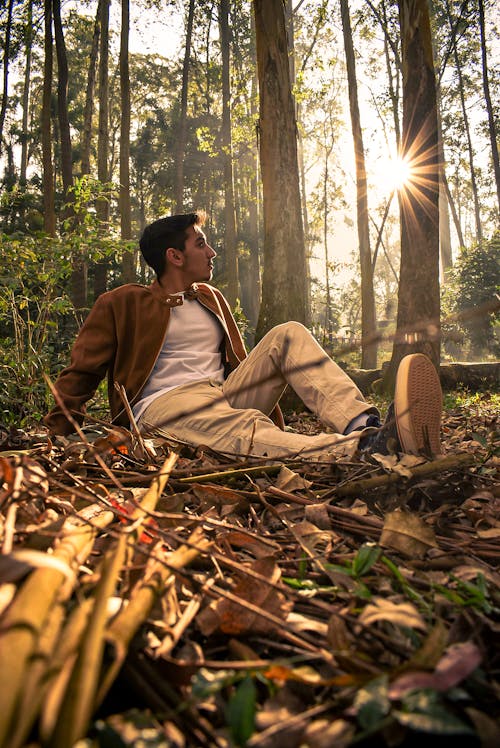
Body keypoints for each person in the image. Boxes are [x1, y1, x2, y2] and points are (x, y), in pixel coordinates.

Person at [44, 211, 443, 462]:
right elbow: (82, 371)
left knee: (287, 333)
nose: (213, 252)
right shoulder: (121, 302)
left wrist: (266, 406)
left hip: (222, 393)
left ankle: (363, 424)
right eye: (201, 244)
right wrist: (55, 436)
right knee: (245, 429)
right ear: (174, 256)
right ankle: (365, 452)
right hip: (162, 409)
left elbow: (242, 362)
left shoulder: (210, 298)